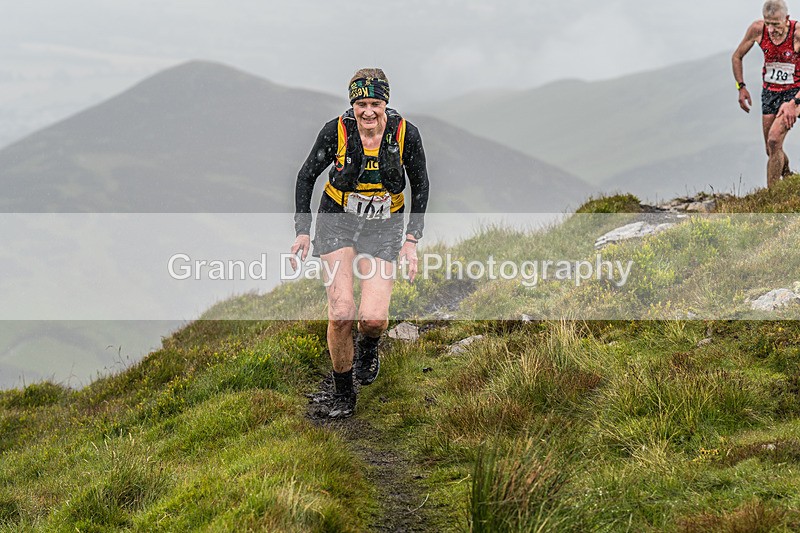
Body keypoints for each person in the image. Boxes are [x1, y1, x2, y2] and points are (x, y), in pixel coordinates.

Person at [290, 68, 430, 419]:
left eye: (376, 103)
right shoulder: (335, 131)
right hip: (337, 220)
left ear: (386, 103)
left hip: (384, 226)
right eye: (361, 104)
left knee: (372, 318)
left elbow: (421, 185)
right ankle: (343, 394)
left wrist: (411, 240)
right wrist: (303, 231)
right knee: (341, 314)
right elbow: (307, 176)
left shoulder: (405, 134)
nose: (368, 111)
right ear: (352, 104)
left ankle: (368, 346)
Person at [733, 0, 800, 188]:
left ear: (786, 19)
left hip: (796, 92)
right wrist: (741, 87)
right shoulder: (757, 30)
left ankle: (771, 199)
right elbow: (737, 56)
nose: (771, 29)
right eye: (767, 23)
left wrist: (793, 103)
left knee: (773, 139)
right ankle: (789, 178)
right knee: (771, 148)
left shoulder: (797, 34)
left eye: (776, 24)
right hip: (771, 92)